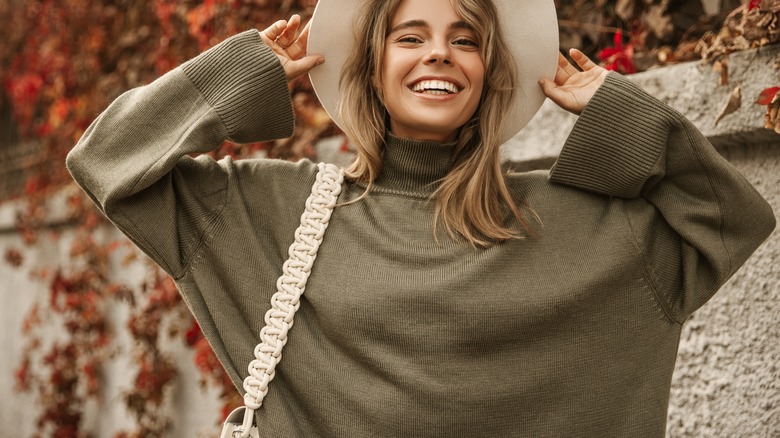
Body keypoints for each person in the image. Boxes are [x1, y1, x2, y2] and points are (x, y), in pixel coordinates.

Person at [66, 0, 775, 436]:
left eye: (465, 38)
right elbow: (107, 161)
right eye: (409, 36)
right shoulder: (267, 214)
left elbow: (729, 219)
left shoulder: (594, 225)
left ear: (491, 71)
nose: (439, 50)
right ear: (368, 68)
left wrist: (622, 113)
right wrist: (240, 74)